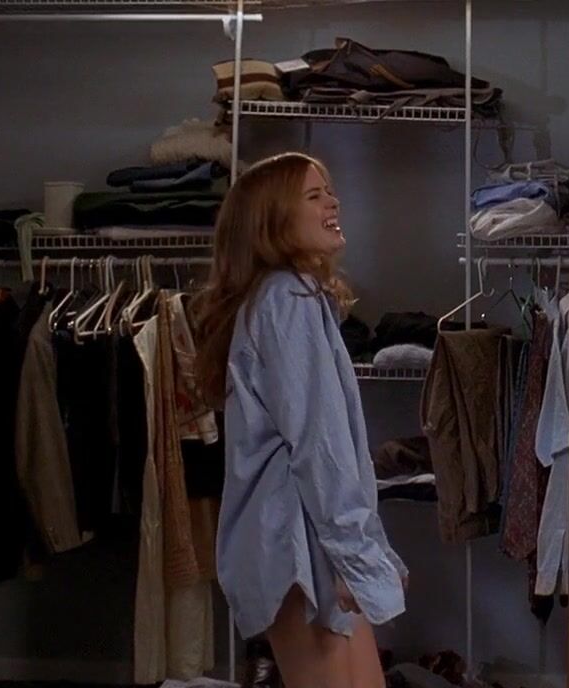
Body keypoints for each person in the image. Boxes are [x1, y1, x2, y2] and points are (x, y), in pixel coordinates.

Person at [194, 152, 408, 688]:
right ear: (274, 221)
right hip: (296, 542)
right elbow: (320, 443)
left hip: (300, 537)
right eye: (314, 196)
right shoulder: (287, 299)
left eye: (329, 191)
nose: (333, 202)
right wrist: (357, 556)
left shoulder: (284, 297)